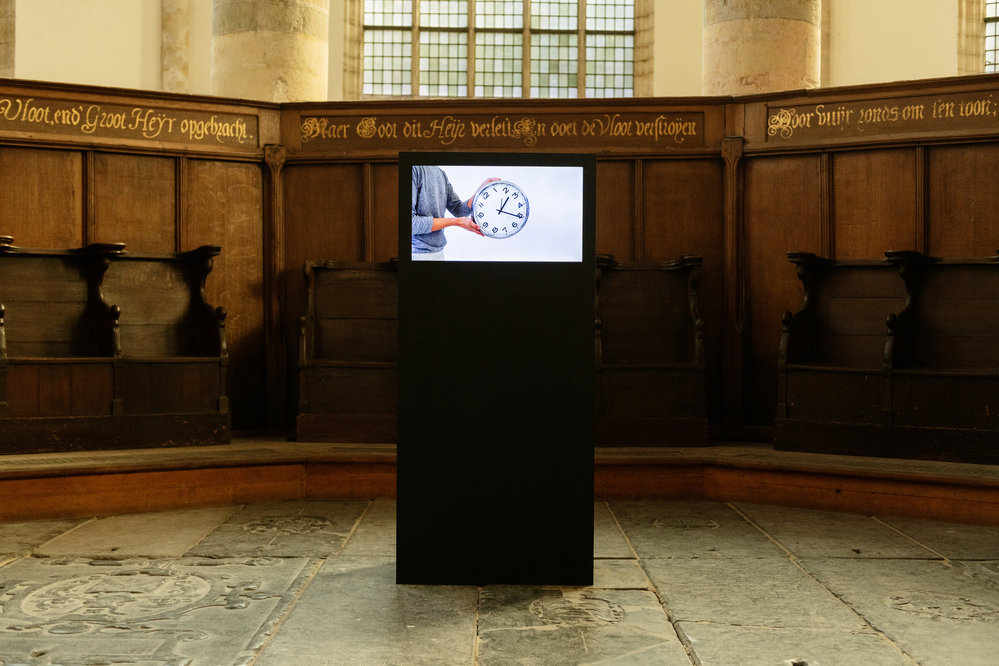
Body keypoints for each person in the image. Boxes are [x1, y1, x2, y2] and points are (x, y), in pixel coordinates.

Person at [412, 166, 499, 260]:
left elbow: (459, 210)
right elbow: (412, 224)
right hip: (417, 255)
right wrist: (457, 222)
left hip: (438, 253)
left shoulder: (441, 174)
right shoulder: (415, 169)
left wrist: (480, 190)